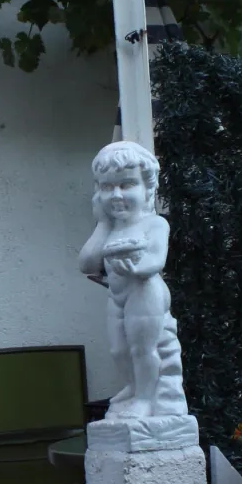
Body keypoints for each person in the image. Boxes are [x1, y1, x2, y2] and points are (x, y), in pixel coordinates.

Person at [78, 141, 185, 420]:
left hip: (145, 292)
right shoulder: (110, 229)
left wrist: (136, 269)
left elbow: (156, 261)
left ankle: (146, 399)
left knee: (142, 348)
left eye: (126, 185)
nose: (116, 195)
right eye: (106, 187)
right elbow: (87, 263)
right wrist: (101, 223)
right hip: (118, 295)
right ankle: (134, 386)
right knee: (118, 349)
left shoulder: (154, 224)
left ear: (147, 189)